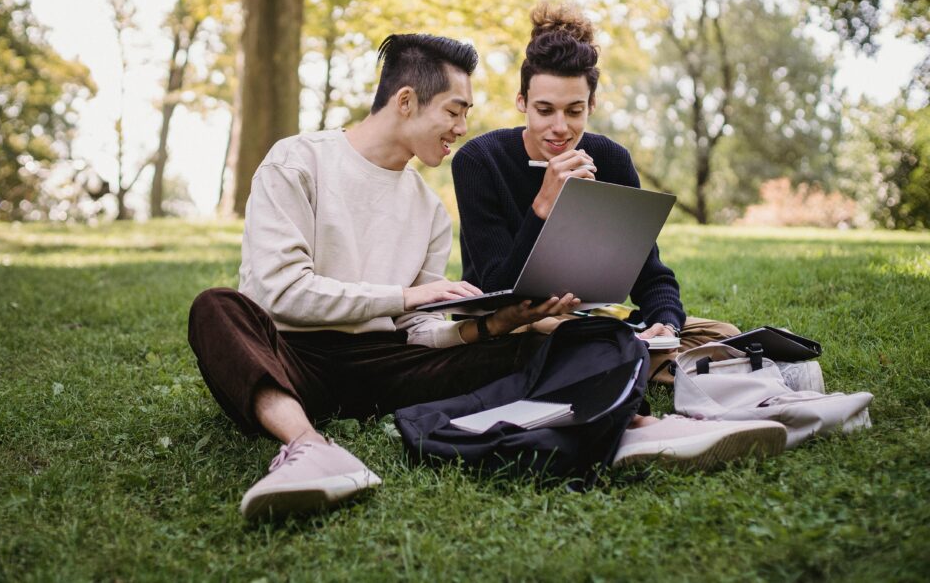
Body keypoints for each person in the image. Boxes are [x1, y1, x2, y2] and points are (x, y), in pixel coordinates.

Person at [189, 32, 785, 521]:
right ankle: (309, 449)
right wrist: (408, 294)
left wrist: (491, 324)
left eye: (465, 114)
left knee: (558, 335)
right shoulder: (298, 161)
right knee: (218, 307)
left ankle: (636, 424)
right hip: (291, 353)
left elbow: (415, 332)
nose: (460, 127)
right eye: (454, 111)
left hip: (388, 363)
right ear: (405, 102)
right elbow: (275, 291)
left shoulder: (426, 209)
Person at [451, 1, 741, 385]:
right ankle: (684, 372)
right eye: (544, 110)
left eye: (574, 111)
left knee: (724, 335)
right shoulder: (479, 160)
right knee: (574, 340)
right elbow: (496, 289)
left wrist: (665, 325)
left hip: (594, 318)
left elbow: (651, 275)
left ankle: (654, 359)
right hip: (517, 326)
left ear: (591, 105)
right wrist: (543, 206)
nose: (560, 127)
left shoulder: (611, 160)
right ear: (522, 103)